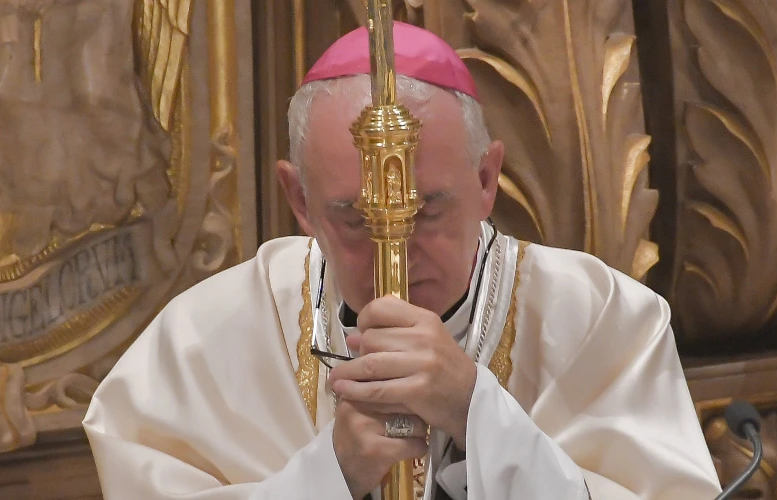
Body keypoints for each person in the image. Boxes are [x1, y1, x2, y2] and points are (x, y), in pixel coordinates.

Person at [83, 22, 722, 500]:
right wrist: (329, 475)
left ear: (486, 179)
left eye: (429, 211)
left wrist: (476, 414)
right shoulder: (202, 342)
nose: (397, 252)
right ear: (299, 200)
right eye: (355, 220)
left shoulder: (602, 320)